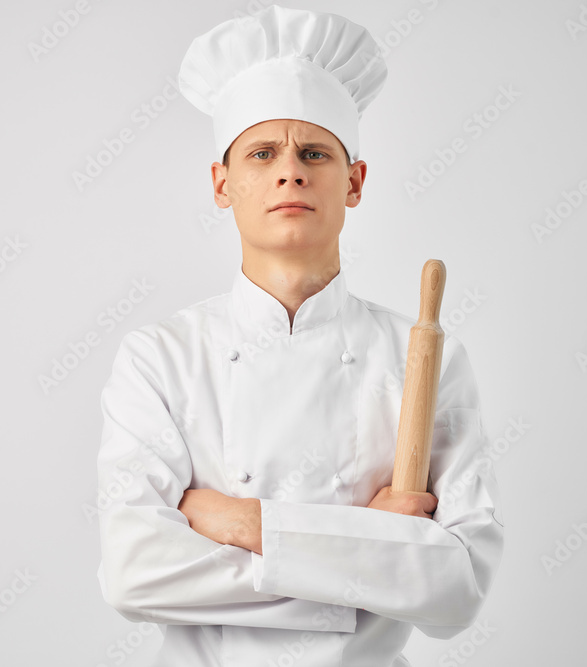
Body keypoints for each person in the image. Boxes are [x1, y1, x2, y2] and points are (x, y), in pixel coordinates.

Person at [95, 5, 504, 665]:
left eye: (315, 152)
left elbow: (458, 588)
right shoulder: (159, 359)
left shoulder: (427, 359)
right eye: (262, 153)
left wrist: (242, 521)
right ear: (222, 183)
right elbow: (134, 572)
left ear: (355, 182)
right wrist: (369, 549)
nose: (291, 171)